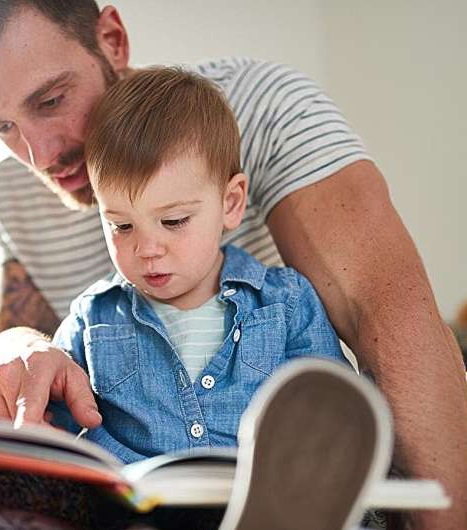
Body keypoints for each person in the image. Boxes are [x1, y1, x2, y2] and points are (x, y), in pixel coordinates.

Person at [0, 1, 467, 528]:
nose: (38, 155)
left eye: (50, 100)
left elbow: (389, 315)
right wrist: (16, 352)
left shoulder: (259, 107)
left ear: (111, 38)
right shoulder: (11, 191)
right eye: (2, 128)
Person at [45, 65, 351, 463]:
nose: (147, 249)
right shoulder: (92, 319)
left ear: (231, 203)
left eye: (173, 222)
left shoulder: (286, 303)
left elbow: (340, 416)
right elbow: (48, 434)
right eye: (121, 225)